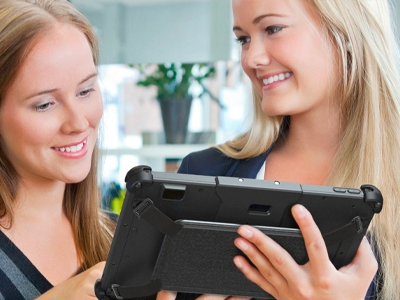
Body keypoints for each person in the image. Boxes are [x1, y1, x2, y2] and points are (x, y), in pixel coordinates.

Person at [178, 0, 400, 299]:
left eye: (273, 28)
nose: (252, 58)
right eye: (243, 39)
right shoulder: (202, 174)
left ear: (345, 34)